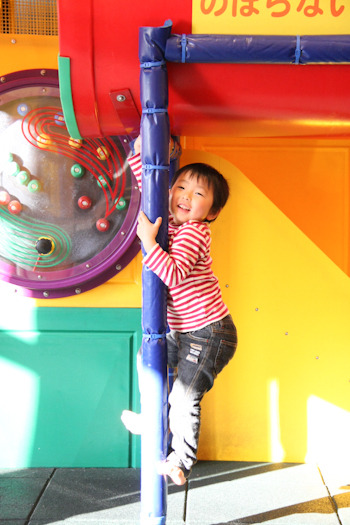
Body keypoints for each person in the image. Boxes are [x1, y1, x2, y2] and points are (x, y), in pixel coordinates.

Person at [122, 136, 238, 486]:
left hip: (209, 333)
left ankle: (180, 460)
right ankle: (152, 418)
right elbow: (148, 186)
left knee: (184, 395)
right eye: (181, 187)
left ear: (212, 212)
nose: (186, 196)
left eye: (199, 195)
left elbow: (172, 274)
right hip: (182, 329)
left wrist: (146, 242)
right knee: (149, 361)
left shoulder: (194, 234)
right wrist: (140, 152)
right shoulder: (172, 225)